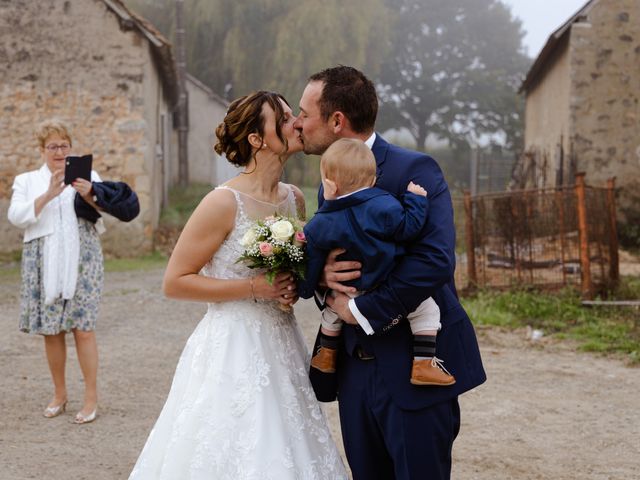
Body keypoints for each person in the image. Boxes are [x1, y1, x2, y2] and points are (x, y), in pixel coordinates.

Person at [129, 91, 348, 479]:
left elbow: (292, 273)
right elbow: (175, 282)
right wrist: (255, 289)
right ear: (256, 139)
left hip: (281, 341)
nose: (295, 122)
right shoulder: (222, 202)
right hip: (231, 347)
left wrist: (292, 286)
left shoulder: (293, 199)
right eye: (282, 118)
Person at [293, 66, 487, 480]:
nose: (297, 122)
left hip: (412, 371)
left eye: (304, 113)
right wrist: (324, 275)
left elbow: (434, 261)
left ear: (337, 120)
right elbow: (330, 246)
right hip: (353, 373)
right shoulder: (331, 172)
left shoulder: (414, 170)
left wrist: (359, 310)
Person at [298, 138, 455, 387]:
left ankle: (326, 356)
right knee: (427, 310)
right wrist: (416, 199)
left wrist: (306, 288)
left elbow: (313, 259)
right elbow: (409, 228)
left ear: (329, 185)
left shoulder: (318, 224)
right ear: (372, 181)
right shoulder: (385, 206)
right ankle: (424, 362)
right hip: (382, 280)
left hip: (348, 287)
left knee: (331, 311)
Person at [8, 119, 105, 424]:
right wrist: (49, 193)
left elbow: (104, 211)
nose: (59, 151)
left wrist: (91, 194)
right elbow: (16, 217)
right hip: (43, 259)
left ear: (70, 148)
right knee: (52, 331)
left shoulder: (89, 175)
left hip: (83, 256)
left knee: (84, 328)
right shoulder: (27, 180)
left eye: (64, 145)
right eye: (53, 146)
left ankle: (90, 399)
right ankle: (60, 394)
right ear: (42, 150)